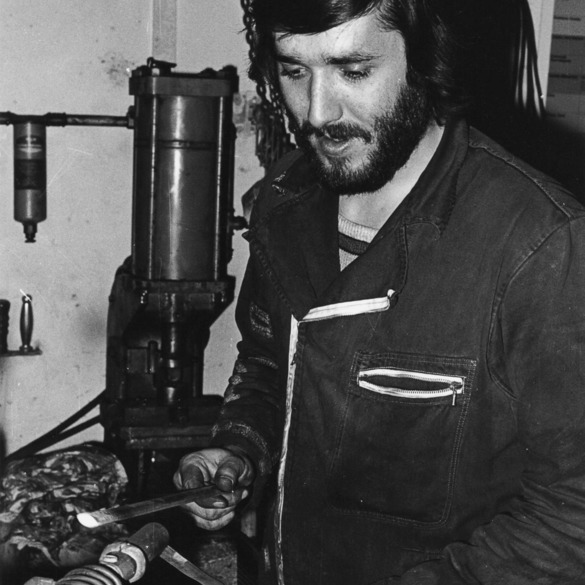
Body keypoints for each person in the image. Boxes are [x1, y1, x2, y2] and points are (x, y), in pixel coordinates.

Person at [174, 0, 585, 583]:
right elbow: (269, 362)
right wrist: (240, 448)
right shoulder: (284, 203)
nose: (317, 112)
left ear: (426, 59)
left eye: (354, 70)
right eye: (295, 71)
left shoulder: (542, 245)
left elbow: (570, 522)